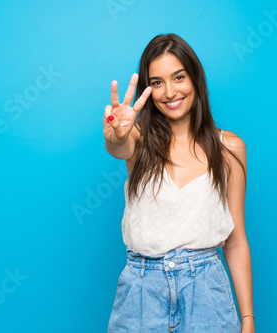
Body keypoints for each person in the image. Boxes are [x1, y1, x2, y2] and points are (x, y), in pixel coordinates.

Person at [103, 33, 254, 333]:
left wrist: (248, 320)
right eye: (157, 82)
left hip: (208, 296)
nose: (170, 92)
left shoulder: (230, 148)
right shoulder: (139, 139)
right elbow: (119, 147)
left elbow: (236, 243)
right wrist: (116, 135)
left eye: (179, 77)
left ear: (195, 78)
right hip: (142, 297)